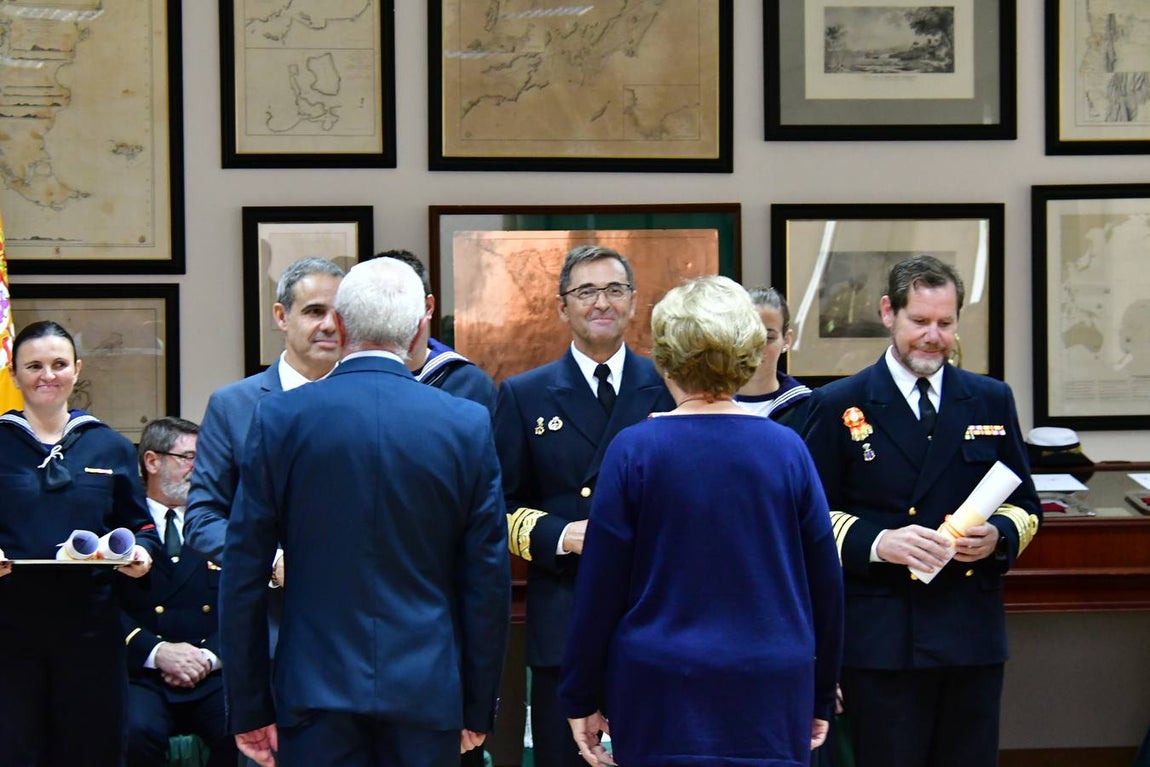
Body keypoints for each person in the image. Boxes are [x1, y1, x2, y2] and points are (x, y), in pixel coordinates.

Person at [220, 257, 510, 767]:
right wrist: (477, 705)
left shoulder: (282, 418)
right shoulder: (465, 424)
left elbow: (244, 571)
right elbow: (486, 580)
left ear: (342, 324)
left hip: (313, 691)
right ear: (421, 325)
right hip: (427, 692)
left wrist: (248, 707)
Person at [559, 275, 844, 767]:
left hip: (659, 686)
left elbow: (600, 589)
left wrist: (581, 695)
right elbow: (825, 585)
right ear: (749, 351)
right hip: (771, 685)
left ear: (665, 356)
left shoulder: (634, 450)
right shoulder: (786, 449)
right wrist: (819, 694)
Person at [799, 255, 1042, 767]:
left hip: (969, 630)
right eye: (920, 322)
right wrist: (879, 542)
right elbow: (808, 517)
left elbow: (1026, 505)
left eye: (946, 323)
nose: (933, 337)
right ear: (889, 313)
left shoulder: (989, 399)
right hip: (883, 635)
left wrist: (997, 535)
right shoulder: (840, 402)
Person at [494, 244, 675, 767]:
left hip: (652, 612)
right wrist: (562, 536)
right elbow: (497, 506)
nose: (602, 303)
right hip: (564, 617)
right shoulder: (525, 395)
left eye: (614, 290)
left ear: (634, 302)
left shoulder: (667, 388)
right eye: (586, 291)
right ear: (561, 306)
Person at [0, 320, 157, 766]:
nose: (47, 375)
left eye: (58, 364)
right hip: (8, 630)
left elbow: (141, 526)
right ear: (13, 375)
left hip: (91, 630)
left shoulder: (108, 446)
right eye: (33, 366)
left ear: (76, 369)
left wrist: (142, 556)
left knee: (93, 751)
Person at [185, 256, 344, 580]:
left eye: (340, 314)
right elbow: (203, 518)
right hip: (265, 614)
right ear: (281, 316)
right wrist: (269, 561)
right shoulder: (233, 406)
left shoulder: (369, 400)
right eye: (314, 312)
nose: (329, 325)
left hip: (354, 610)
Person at [119, 417, 238, 767]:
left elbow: (246, 601)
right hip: (144, 675)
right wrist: (157, 652)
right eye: (187, 458)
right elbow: (101, 606)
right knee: (132, 732)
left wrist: (209, 657)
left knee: (247, 730)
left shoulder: (221, 523)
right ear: (152, 461)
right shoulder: (120, 526)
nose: (197, 469)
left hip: (212, 671)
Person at [373, 249, 497, 416]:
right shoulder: (348, 378)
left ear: (428, 307)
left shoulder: (470, 384)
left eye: (400, 302)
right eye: (377, 303)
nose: (389, 313)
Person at [734, 285, 813, 429]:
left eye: (768, 337)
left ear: (787, 340)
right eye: (746, 335)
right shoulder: (708, 404)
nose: (756, 346)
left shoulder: (807, 406)